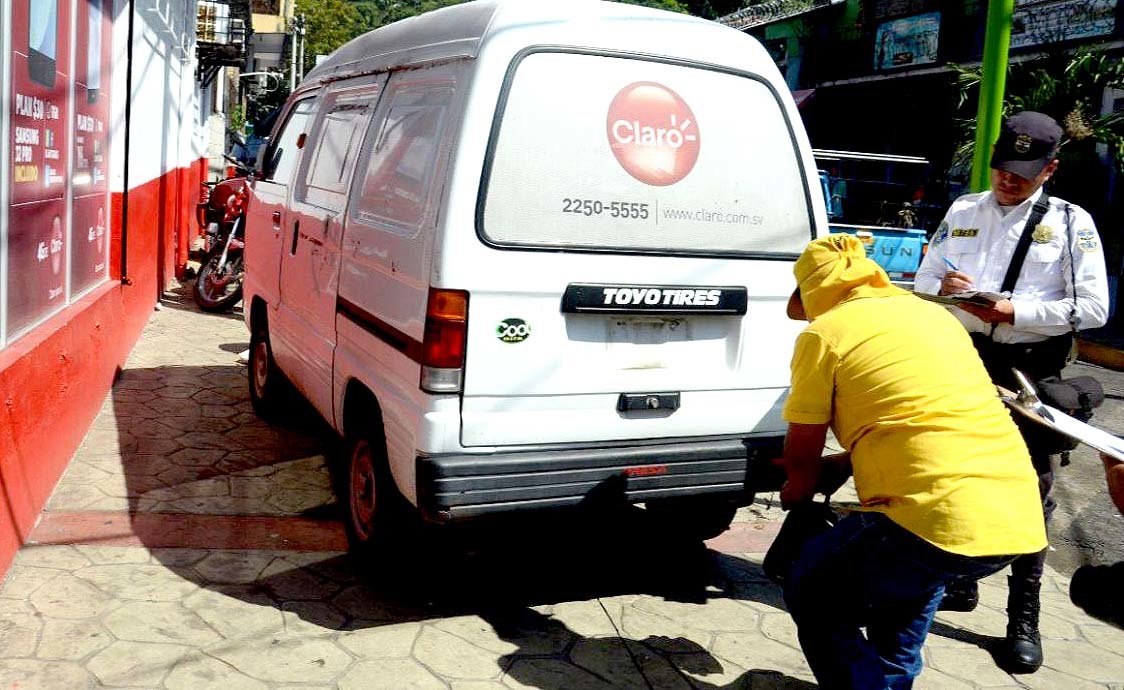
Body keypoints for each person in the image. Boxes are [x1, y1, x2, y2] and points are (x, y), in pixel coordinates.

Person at [778, 234, 1047, 689]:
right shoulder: (933, 317)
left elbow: (802, 456)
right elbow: (925, 418)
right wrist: (848, 462)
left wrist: (796, 497)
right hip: (1015, 520)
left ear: (813, 293)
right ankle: (892, 680)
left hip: (930, 519)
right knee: (909, 588)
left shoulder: (823, 334)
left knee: (812, 586)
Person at [914, 111, 1109, 673]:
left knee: (1031, 489)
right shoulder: (964, 209)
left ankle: (1023, 616)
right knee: (953, 474)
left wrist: (1013, 310)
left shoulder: (1072, 224)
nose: (1009, 180)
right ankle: (959, 580)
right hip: (964, 360)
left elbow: (1094, 309)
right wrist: (943, 288)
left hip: (1031, 369)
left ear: (1050, 168)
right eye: (1003, 167)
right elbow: (926, 278)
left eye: (1024, 172)